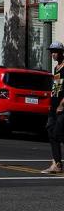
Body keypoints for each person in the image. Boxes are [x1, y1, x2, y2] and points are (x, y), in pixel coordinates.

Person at [43, 41, 64, 174]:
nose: (53, 54)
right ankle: (56, 164)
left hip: (62, 107)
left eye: (55, 51)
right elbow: (56, 87)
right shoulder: (56, 68)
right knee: (51, 132)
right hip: (54, 106)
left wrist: (62, 105)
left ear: (62, 52)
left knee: (58, 134)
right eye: (52, 52)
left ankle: (57, 163)